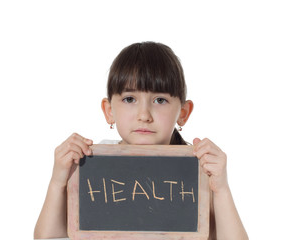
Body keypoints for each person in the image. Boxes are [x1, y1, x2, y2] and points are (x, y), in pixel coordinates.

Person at [34, 41, 248, 240]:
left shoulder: (197, 170)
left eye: (160, 100)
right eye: (129, 99)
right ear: (109, 111)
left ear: (183, 112)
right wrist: (58, 180)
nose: (144, 115)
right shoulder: (91, 165)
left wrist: (221, 189)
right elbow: (49, 237)